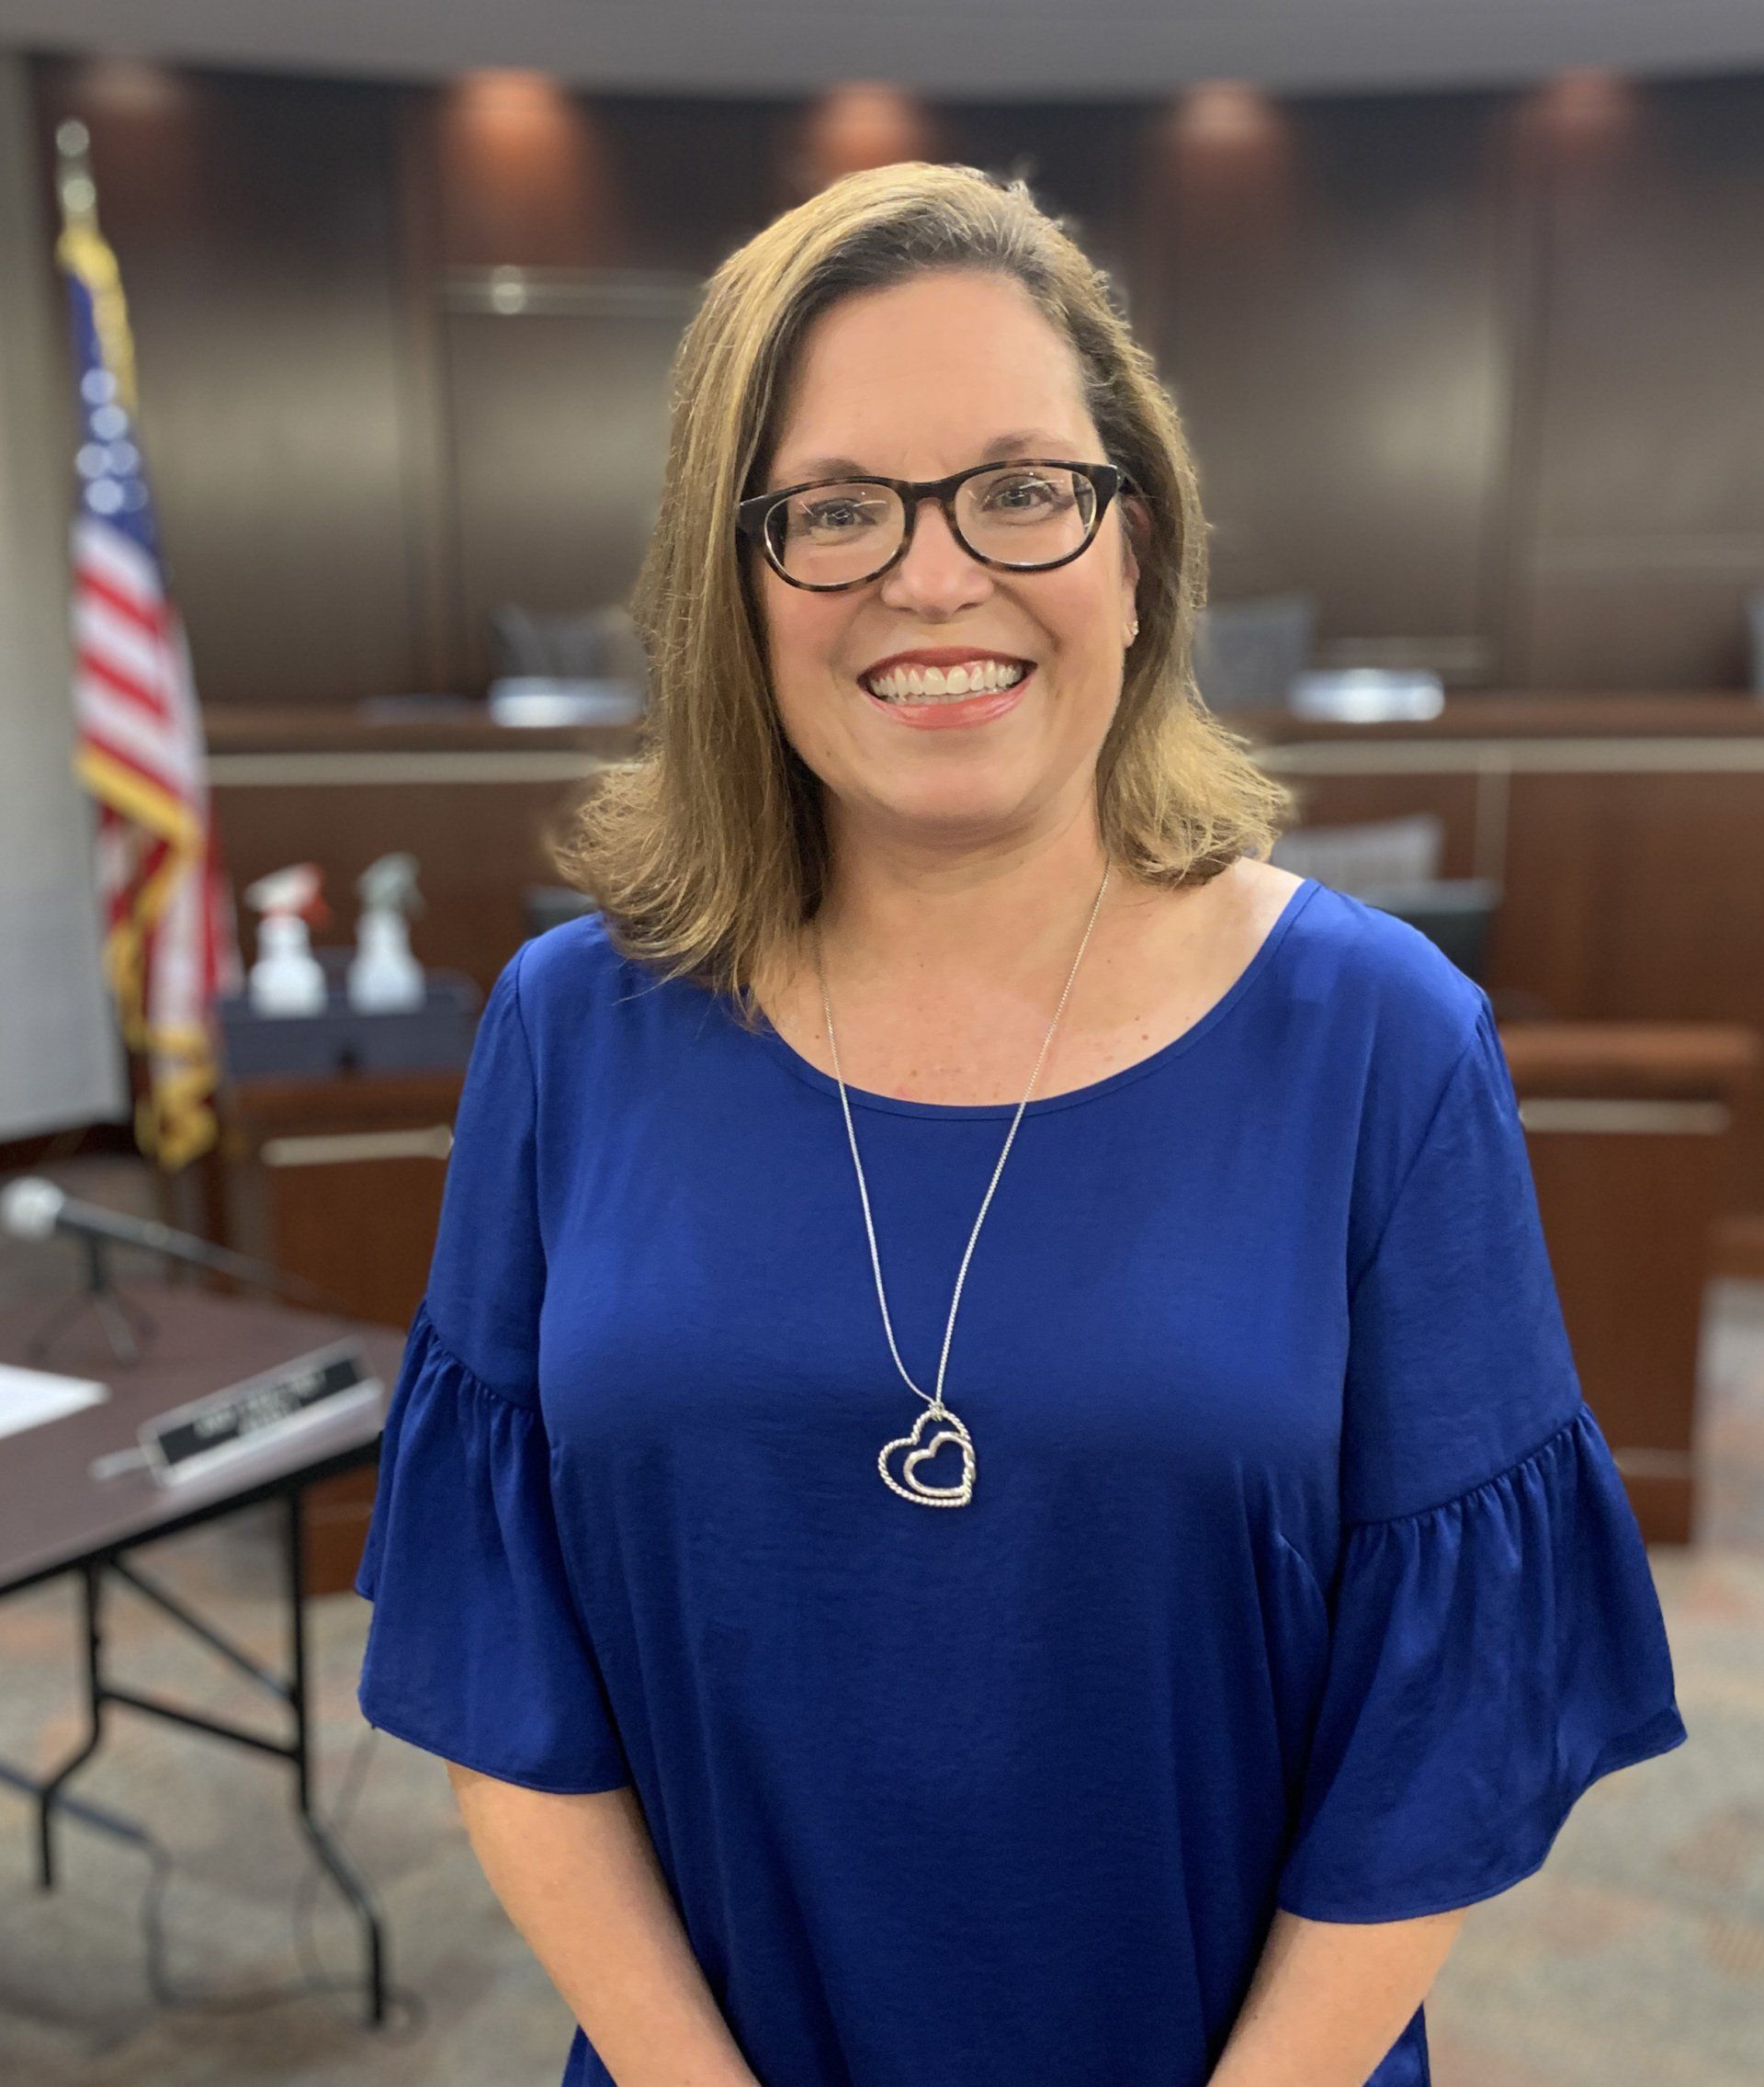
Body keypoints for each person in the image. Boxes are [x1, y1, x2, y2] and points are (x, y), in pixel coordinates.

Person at [355, 162, 1688, 2087]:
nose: (934, 572)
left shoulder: (1386, 1045)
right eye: (833, 509)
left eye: (1020, 487)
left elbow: (1445, 1731)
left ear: (1136, 547)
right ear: (732, 583)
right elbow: (509, 1674)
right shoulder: (571, 1031)